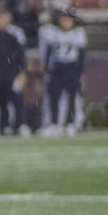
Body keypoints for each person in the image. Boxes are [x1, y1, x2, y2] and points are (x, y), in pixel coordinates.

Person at [41, 8, 87, 136]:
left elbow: (82, 55)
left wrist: (80, 71)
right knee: (54, 97)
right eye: (64, 18)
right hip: (57, 66)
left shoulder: (78, 32)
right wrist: (47, 69)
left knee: (72, 97)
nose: (66, 22)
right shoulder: (53, 32)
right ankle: (54, 124)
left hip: (71, 67)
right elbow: (48, 53)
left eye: (68, 19)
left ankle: (70, 123)